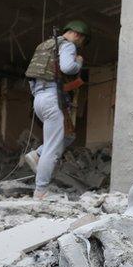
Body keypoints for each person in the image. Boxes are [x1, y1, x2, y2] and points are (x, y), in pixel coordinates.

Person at [22, 20, 89, 200]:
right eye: (81, 41)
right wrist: (79, 63)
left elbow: (32, 75)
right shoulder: (67, 46)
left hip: (38, 98)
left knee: (64, 137)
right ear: (77, 34)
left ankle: (37, 154)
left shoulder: (44, 46)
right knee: (53, 147)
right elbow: (68, 67)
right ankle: (41, 191)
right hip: (52, 98)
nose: (80, 45)